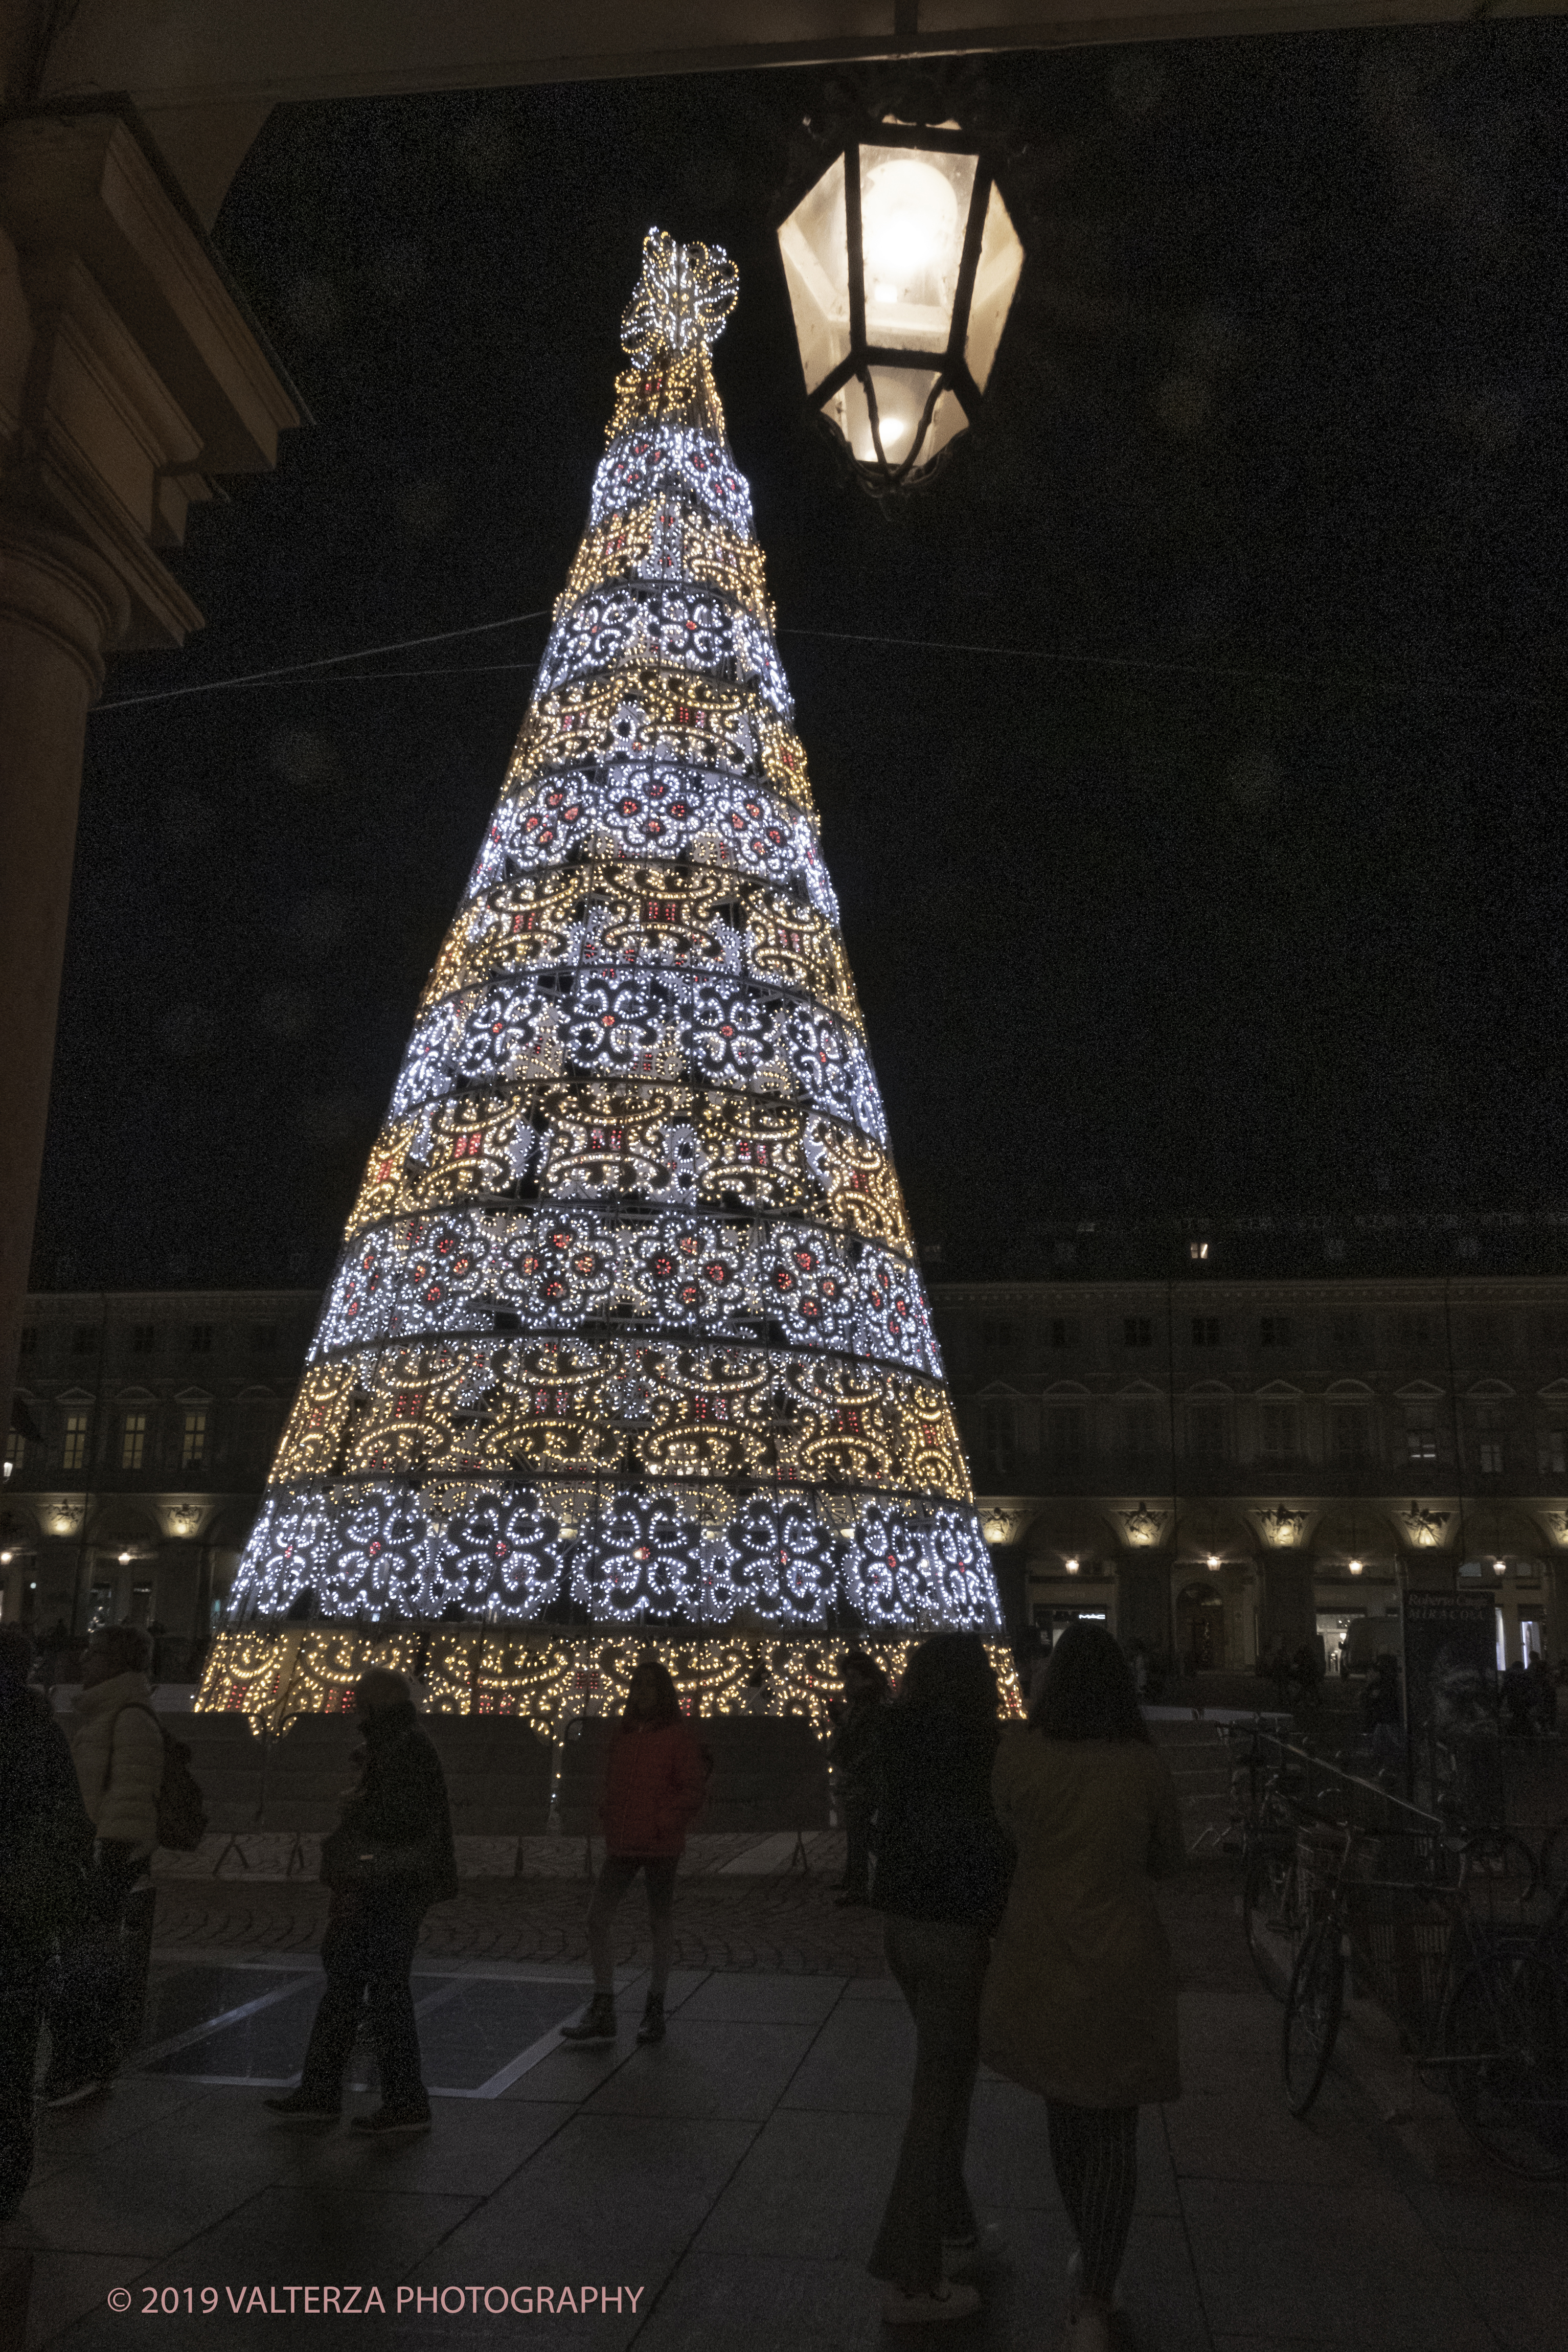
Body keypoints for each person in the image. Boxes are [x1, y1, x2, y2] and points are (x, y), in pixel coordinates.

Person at [980, 1620, 1186, 2352]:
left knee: (1065, 2112)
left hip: (1040, 1947)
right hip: (1121, 1955)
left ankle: (1089, 2266)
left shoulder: (1019, 1756)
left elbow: (1007, 1837)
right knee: (1114, 2126)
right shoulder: (1142, 1764)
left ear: (1051, 1681)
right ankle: (1095, 2289)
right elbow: (1168, 1860)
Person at [867, 1633, 1013, 2329]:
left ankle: (951, 2221)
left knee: (939, 2083)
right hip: (956, 1930)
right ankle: (912, 2278)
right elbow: (998, 1838)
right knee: (940, 2097)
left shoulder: (896, 1736)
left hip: (899, 1925)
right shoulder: (984, 1747)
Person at [265, 1667, 457, 2135]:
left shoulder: (401, 1749)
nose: (353, 1707)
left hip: (387, 1883)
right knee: (349, 1983)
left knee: (380, 1987)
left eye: (359, 1700)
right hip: (385, 1881)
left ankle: (402, 2101)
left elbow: (397, 1820)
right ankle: (324, 2090)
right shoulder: (395, 1744)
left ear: (374, 1703)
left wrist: (359, 1803)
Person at [43, 1624, 166, 2108]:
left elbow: (132, 1797)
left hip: (102, 1862)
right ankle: (80, 2064)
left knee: (84, 1969)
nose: (85, 1661)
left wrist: (109, 1860)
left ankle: (84, 2065)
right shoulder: (105, 1712)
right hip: (88, 1856)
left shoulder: (129, 1716)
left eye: (95, 1653)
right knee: (81, 1965)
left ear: (119, 1662)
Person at [559, 1657, 707, 2049]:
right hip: (624, 1840)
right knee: (597, 1918)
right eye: (636, 1684)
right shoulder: (624, 1734)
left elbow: (691, 1789)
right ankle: (604, 2002)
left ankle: (654, 2005)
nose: (640, 1692)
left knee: (659, 1921)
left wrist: (664, 1820)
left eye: (648, 1685)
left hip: (658, 1841)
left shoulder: (676, 1736)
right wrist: (609, 1813)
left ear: (662, 1692)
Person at [1, 1626, 93, 2222]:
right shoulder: (40, 1729)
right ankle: (8, 2174)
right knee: (11, 2052)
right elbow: (69, 1822)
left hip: (14, 1909)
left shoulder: (26, 1732)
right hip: (21, 1918)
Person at [828, 1649, 888, 1908]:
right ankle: (854, 1879)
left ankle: (859, 1885)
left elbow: (870, 1744)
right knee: (856, 1831)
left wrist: (855, 1764)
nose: (848, 1684)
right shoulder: (859, 1706)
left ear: (869, 1680)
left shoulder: (874, 1708)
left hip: (865, 1778)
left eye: (854, 1677)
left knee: (861, 1832)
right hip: (856, 1776)